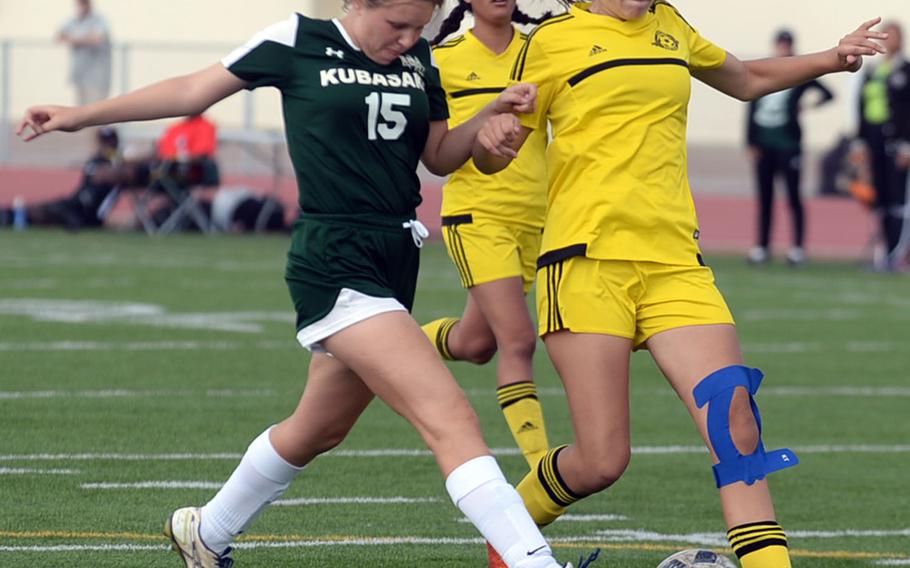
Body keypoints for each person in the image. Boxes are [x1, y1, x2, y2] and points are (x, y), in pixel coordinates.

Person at [18, 2, 593, 568]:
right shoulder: (296, 40)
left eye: (420, 26)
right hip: (334, 260)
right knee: (451, 418)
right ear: (358, 3)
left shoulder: (419, 56)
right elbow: (193, 90)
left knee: (317, 429)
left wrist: (488, 133)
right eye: (397, 24)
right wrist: (79, 115)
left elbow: (439, 157)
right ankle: (534, 562)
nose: (408, 38)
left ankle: (206, 532)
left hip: (396, 258)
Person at [473, 2, 886, 567]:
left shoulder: (670, 24)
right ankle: (506, 545)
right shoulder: (551, 39)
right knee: (601, 460)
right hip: (586, 265)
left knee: (736, 424)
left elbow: (744, 79)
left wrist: (832, 59)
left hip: (675, 265)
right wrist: (490, 141)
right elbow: (502, 149)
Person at [421, 0, 555, 480]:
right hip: (479, 217)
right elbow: (437, 145)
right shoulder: (442, 57)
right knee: (518, 341)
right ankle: (544, 471)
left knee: (477, 343)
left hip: (539, 220)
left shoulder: (543, 49)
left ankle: (401, 346)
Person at [746, 30, 834, 266]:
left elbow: (828, 93)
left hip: (788, 143)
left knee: (793, 196)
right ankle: (762, 247)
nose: (783, 48)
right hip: (764, 144)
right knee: (765, 198)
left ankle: (797, 248)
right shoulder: (765, 68)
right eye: (780, 44)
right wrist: (750, 141)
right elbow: (749, 102)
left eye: (787, 44)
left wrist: (807, 106)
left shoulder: (800, 70)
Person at [856, 21, 910, 272]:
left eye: (894, 35)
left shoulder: (906, 72)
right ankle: (886, 251)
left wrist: (906, 145)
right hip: (874, 142)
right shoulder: (873, 71)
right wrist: (860, 142)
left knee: (899, 201)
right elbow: (862, 107)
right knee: (881, 199)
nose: (889, 40)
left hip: (896, 144)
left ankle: (897, 253)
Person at [0, 126, 120, 230]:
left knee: (50, 210)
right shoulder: (95, 161)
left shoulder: (116, 166)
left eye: (109, 141)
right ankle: (10, 215)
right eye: (104, 141)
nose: (106, 145)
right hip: (76, 205)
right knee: (47, 208)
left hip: (85, 213)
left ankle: (12, 216)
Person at [57, 0, 112, 105]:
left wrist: (75, 39)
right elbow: (59, 35)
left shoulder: (99, 20)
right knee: (81, 112)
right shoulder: (75, 20)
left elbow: (97, 39)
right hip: (81, 76)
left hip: (97, 79)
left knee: (96, 113)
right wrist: (81, 39)